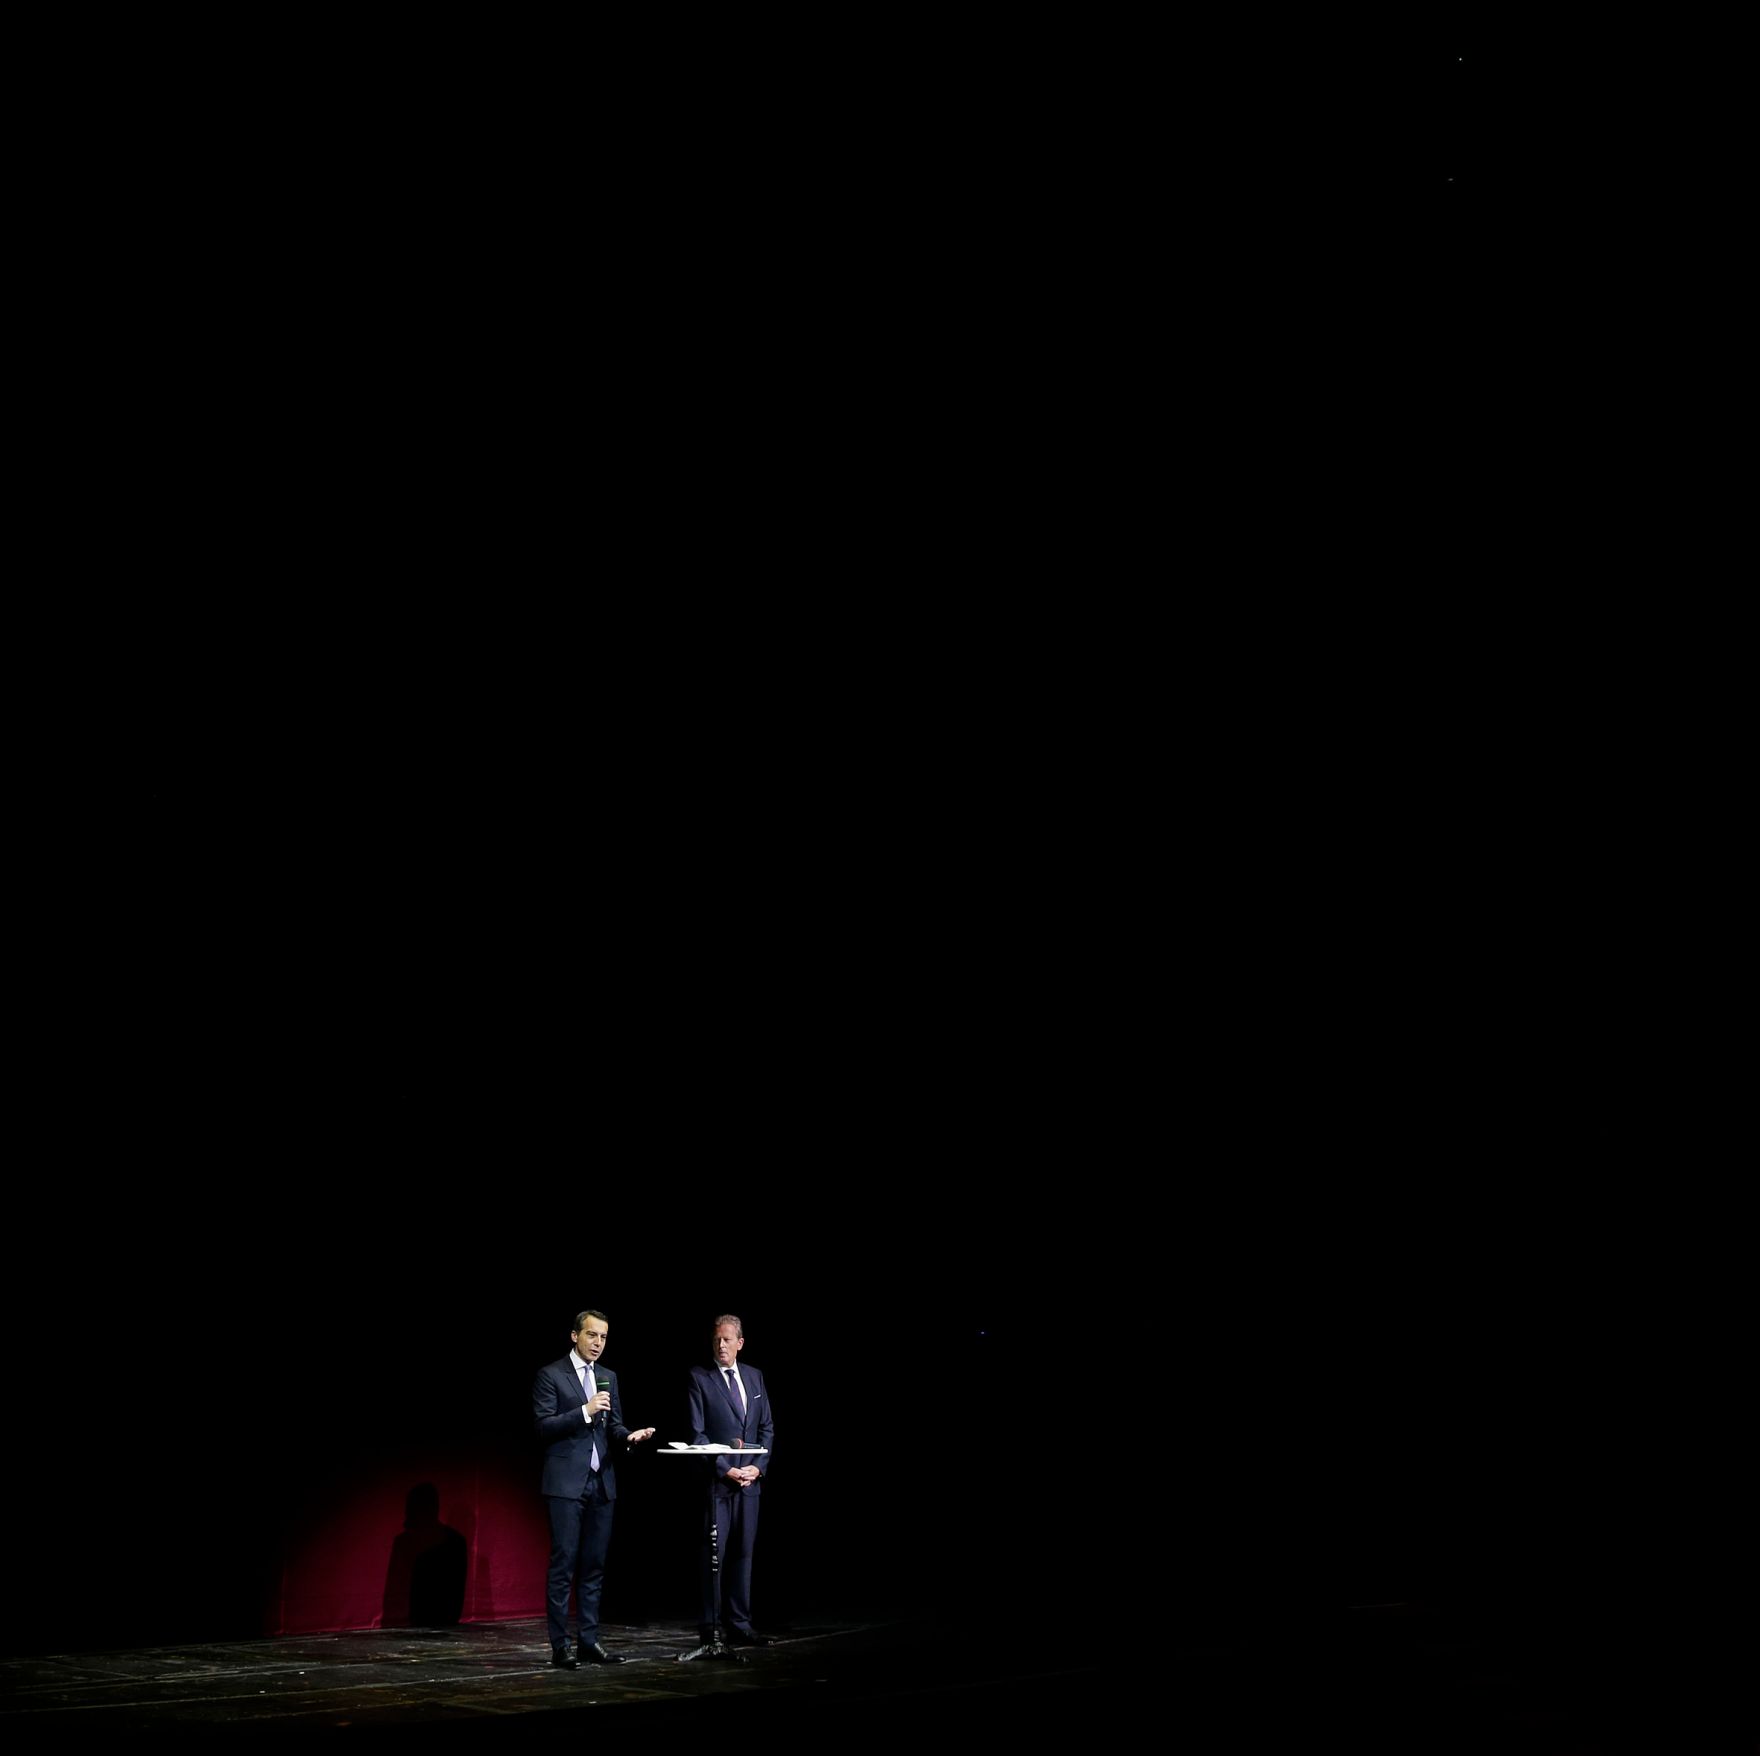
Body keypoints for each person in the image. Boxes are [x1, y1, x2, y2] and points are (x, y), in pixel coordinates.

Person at [532, 1308, 656, 1668]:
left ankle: (589, 1640)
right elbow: (542, 1427)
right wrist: (584, 1411)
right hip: (565, 1484)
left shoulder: (609, 1377)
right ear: (575, 1336)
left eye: (603, 1337)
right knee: (564, 1564)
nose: (598, 1343)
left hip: (602, 1483)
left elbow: (613, 1426)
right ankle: (560, 1646)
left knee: (594, 1567)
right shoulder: (550, 1375)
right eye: (591, 1335)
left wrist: (629, 1437)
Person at [686, 1313, 775, 1646]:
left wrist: (757, 1467)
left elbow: (766, 1428)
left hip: (750, 1483)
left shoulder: (754, 1377)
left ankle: (740, 1622)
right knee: (714, 1555)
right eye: (716, 1339)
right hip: (718, 1484)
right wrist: (725, 1468)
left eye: (727, 1340)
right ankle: (710, 1627)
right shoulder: (700, 1377)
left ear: (740, 1343)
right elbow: (698, 1434)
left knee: (744, 1553)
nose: (720, 1345)